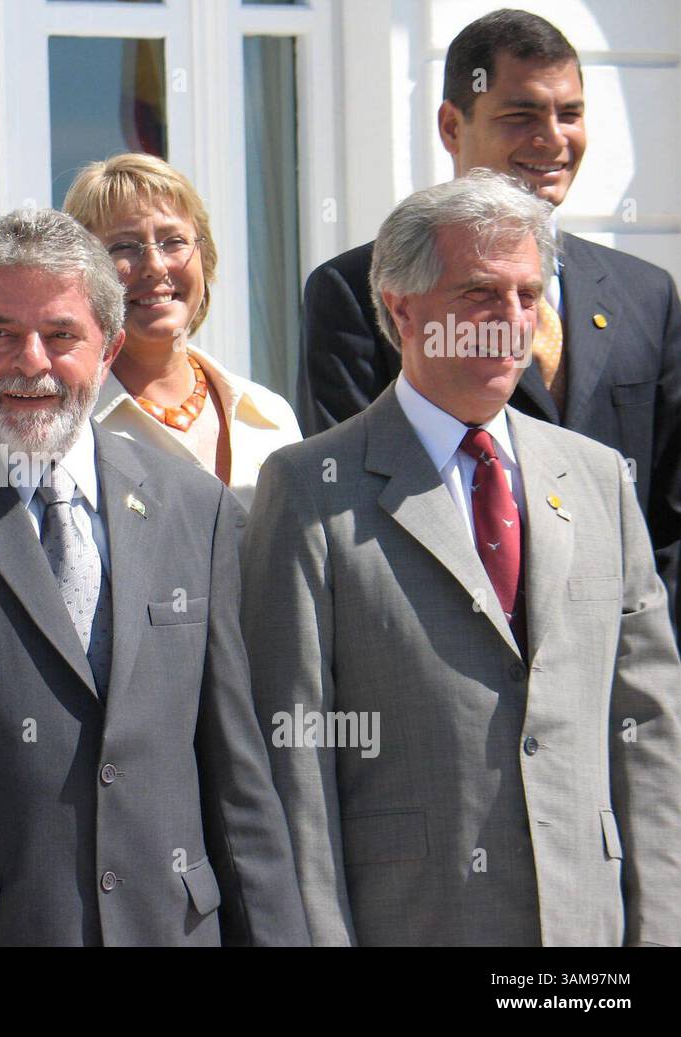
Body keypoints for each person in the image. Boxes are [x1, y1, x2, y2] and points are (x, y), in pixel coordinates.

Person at [0, 208, 308, 946]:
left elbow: (240, 787)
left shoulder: (196, 510)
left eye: (62, 334)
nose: (31, 361)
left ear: (110, 350)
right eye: (0, 333)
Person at [247, 170, 681, 946]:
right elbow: (295, 757)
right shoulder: (312, 488)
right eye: (481, 294)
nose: (512, 321)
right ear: (401, 307)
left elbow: (646, 729)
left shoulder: (597, 478)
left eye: (527, 295)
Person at [297, 8, 681, 631]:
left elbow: (668, 515)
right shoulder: (361, 287)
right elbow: (351, 504)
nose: (553, 139)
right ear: (452, 125)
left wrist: (647, 652)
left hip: (616, 662)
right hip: (449, 654)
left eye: (570, 114)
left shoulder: (646, 293)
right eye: (521, 115)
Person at [63, 153, 300, 512]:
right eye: (124, 247)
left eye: (173, 241)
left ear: (204, 257)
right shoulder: (68, 427)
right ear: (80, 274)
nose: (155, 267)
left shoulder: (268, 414)